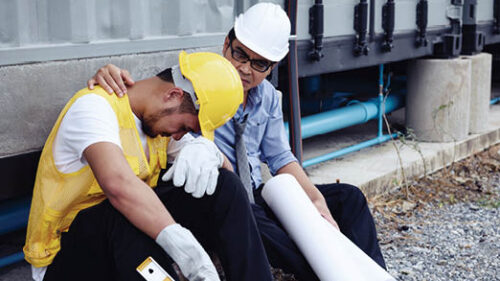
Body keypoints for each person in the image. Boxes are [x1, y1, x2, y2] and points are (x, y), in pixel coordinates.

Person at [88, 3, 387, 280]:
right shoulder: (199, 84)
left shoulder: (268, 97)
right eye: (240, 54)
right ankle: (328, 271)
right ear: (225, 45)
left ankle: (375, 273)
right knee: (262, 220)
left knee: (349, 199)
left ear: (271, 67)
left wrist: (314, 200)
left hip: (257, 191)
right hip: (221, 195)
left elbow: (281, 158)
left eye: (259, 63)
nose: (245, 68)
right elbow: (156, 103)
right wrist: (107, 72)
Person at [24, 51, 273, 281]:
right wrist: (182, 244)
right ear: (173, 95)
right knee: (118, 213)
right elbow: (118, 186)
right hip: (67, 260)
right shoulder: (94, 107)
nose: (179, 136)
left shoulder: (158, 125)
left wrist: (209, 152)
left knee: (224, 185)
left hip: (124, 245)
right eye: (185, 127)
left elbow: (226, 178)